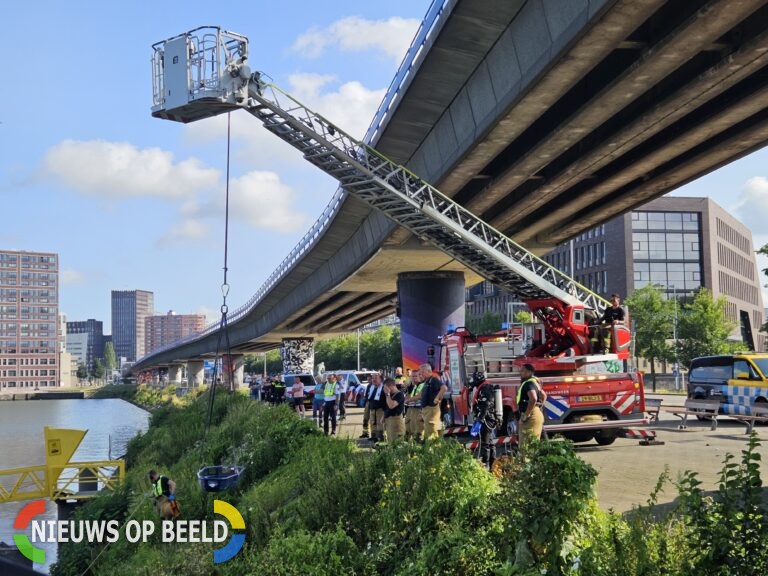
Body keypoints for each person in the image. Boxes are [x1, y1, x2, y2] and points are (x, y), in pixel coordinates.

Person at [516, 363, 546, 453]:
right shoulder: (535, 382)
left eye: (522, 371)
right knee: (533, 445)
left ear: (529, 372)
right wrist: (539, 407)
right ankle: (532, 465)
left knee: (525, 446)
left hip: (530, 416)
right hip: (535, 413)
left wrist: (526, 414)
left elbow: (533, 399)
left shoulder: (528, 383)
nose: (520, 373)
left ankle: (526, 466)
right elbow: (544, 395)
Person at [472, 374, 499, 470]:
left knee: (485, 443)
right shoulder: (483, 387)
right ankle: (492, 465)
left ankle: (487, 465)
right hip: (487, 418)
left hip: (487, 419)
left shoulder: (485, 388)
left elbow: (486, 405)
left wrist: (480, 418)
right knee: (490, 442)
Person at [420, 363, 447, 441]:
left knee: (431, 431)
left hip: (432, 409)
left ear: (429, 371)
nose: (421, 374)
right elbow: (421, 395)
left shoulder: (433, 380)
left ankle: (433, 448)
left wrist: (437, 398)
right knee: (428, 430)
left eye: (423, 372)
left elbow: (444, 388)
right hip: (426, 410)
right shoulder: (426, 382)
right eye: (421, 372)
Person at [383, 377, 406, 442]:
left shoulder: (399, 394)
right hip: (389, 420)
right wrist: (384, 416)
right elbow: (387, 407)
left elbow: (391, 406)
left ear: (391, 386)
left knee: (397, 442)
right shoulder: (390, 395)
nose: (384, 389)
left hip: (396, 421)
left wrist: (387, 394)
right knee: (390, 441)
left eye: (385, 388)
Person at [404, 371, 424, 442]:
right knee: (409, 428)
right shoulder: (414, 385)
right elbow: (408, 395)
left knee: (418, 430)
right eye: (412, 376)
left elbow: (418, 396)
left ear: (420, 376)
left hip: (419, 409)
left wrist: (408, 400)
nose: (414, 378)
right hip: (411, 408)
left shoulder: (423, 385)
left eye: (415, 376)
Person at [367, 372, 386, 442]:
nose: (374, 379)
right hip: (372, 409)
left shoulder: (383, 387)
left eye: (376, 378)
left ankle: (381, 438)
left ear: (380, 379)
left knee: (380, 424)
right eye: (373, 378)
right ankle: (374, 437)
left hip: (380, 409)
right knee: (373, 423)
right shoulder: (372, 387)